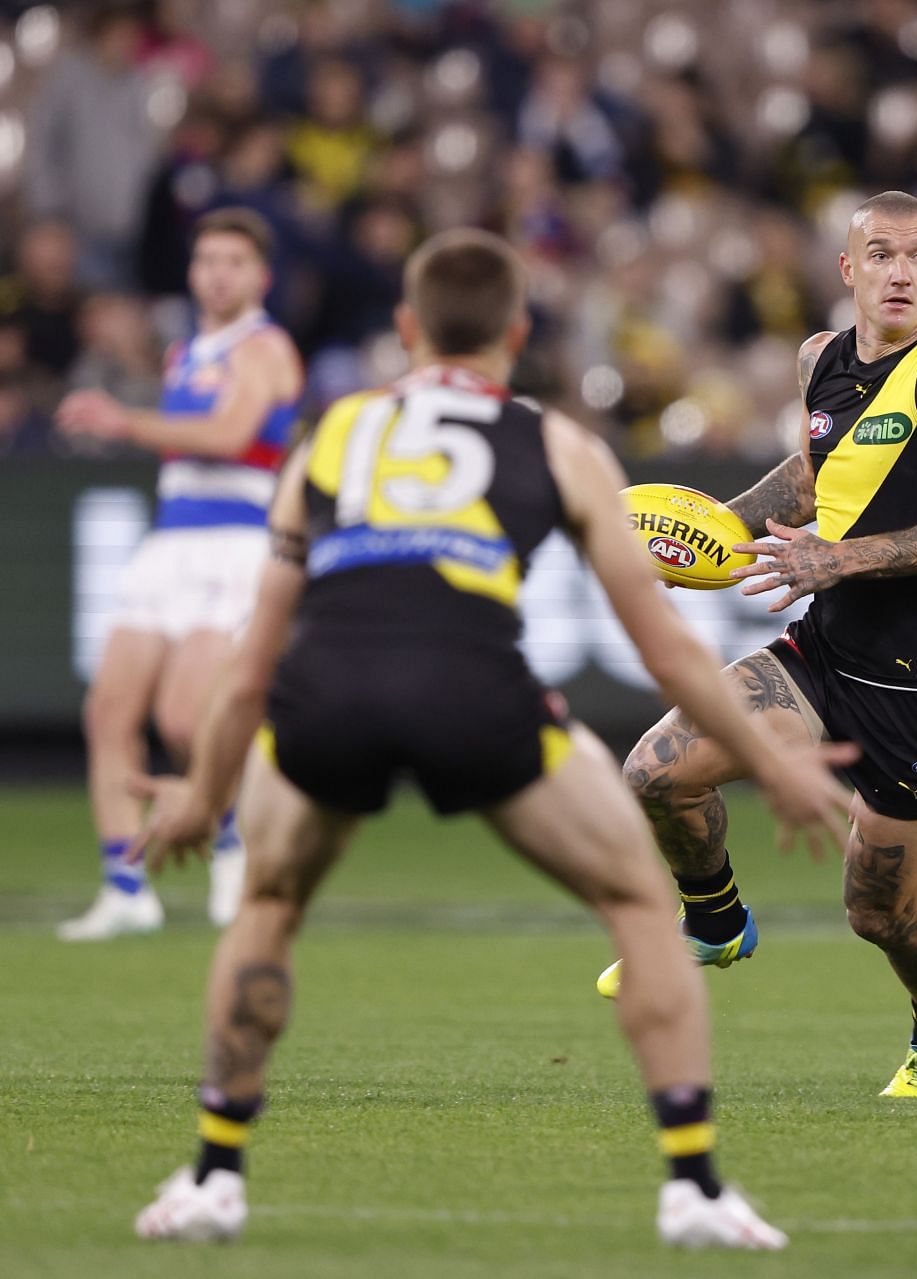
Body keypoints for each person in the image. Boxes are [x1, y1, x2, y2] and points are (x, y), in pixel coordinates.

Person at [126, 228, 852, 1249]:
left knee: (270, 902)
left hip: (329, 686)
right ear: (517, 332)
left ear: (407, 329)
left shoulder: (334, 434)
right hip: (474, 685)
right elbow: (669, 652)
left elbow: (253, 658)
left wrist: (203, 794)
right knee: (642, 902)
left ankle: (212, 1174)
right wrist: (772, 759)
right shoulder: (557, 444)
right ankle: (693, 1186)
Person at [597, 191, 917, 1098]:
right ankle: (714, 920)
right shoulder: (819, 359)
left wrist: (841, 559)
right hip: (824, 658)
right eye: (881, 255)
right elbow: (814, 474)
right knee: (654, 772)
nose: (899, 272)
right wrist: (705, 542)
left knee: (879, 912)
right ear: (849, 270)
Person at [55, 208, 305, 941]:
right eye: (207, 261)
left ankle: (234, 837)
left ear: (260, 275)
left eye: (234, 260)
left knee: (186, 717)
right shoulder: (188, 351)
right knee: (108, 712)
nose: (218, 274)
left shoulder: (264, 350)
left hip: (234, 543)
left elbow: (230, 437)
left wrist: (123, 421)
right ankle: (124, 884)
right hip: (170, 542)